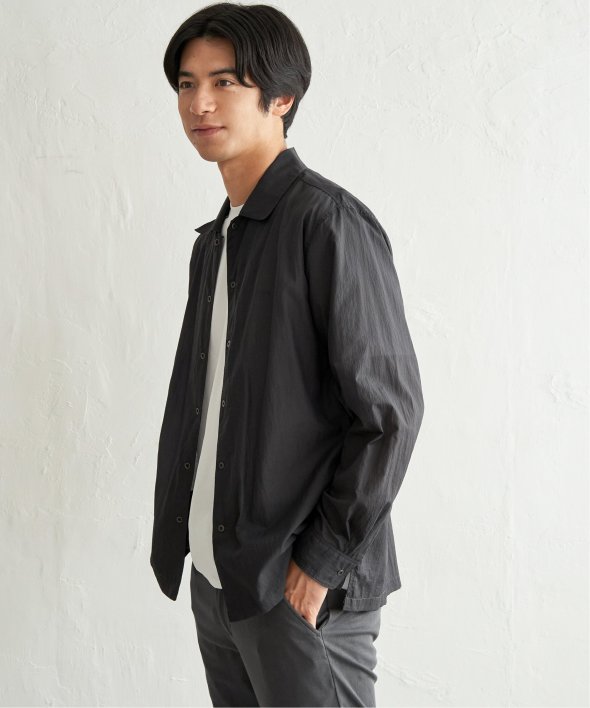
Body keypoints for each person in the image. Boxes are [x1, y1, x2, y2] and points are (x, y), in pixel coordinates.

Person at [150, 3, 425, 706]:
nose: (199, 103)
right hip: (223, 579)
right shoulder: (217, 240)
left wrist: (319, 565)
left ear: (282, 98)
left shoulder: (328, 223)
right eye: (186, 84)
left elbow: (389, 416)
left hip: (299, 588)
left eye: (224, 82)